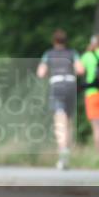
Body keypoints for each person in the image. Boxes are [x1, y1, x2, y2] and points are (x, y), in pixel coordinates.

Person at [36, 29, 84, 170]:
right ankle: (66, 152)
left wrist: (50, 73)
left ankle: (62, 153)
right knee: (68, 122)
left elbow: (40, 73)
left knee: (59, 122)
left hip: (57, 86)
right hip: (70, 86)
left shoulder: (48, 54)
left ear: (54, 41)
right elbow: (80, 70)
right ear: (65, 41)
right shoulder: (72, 53)